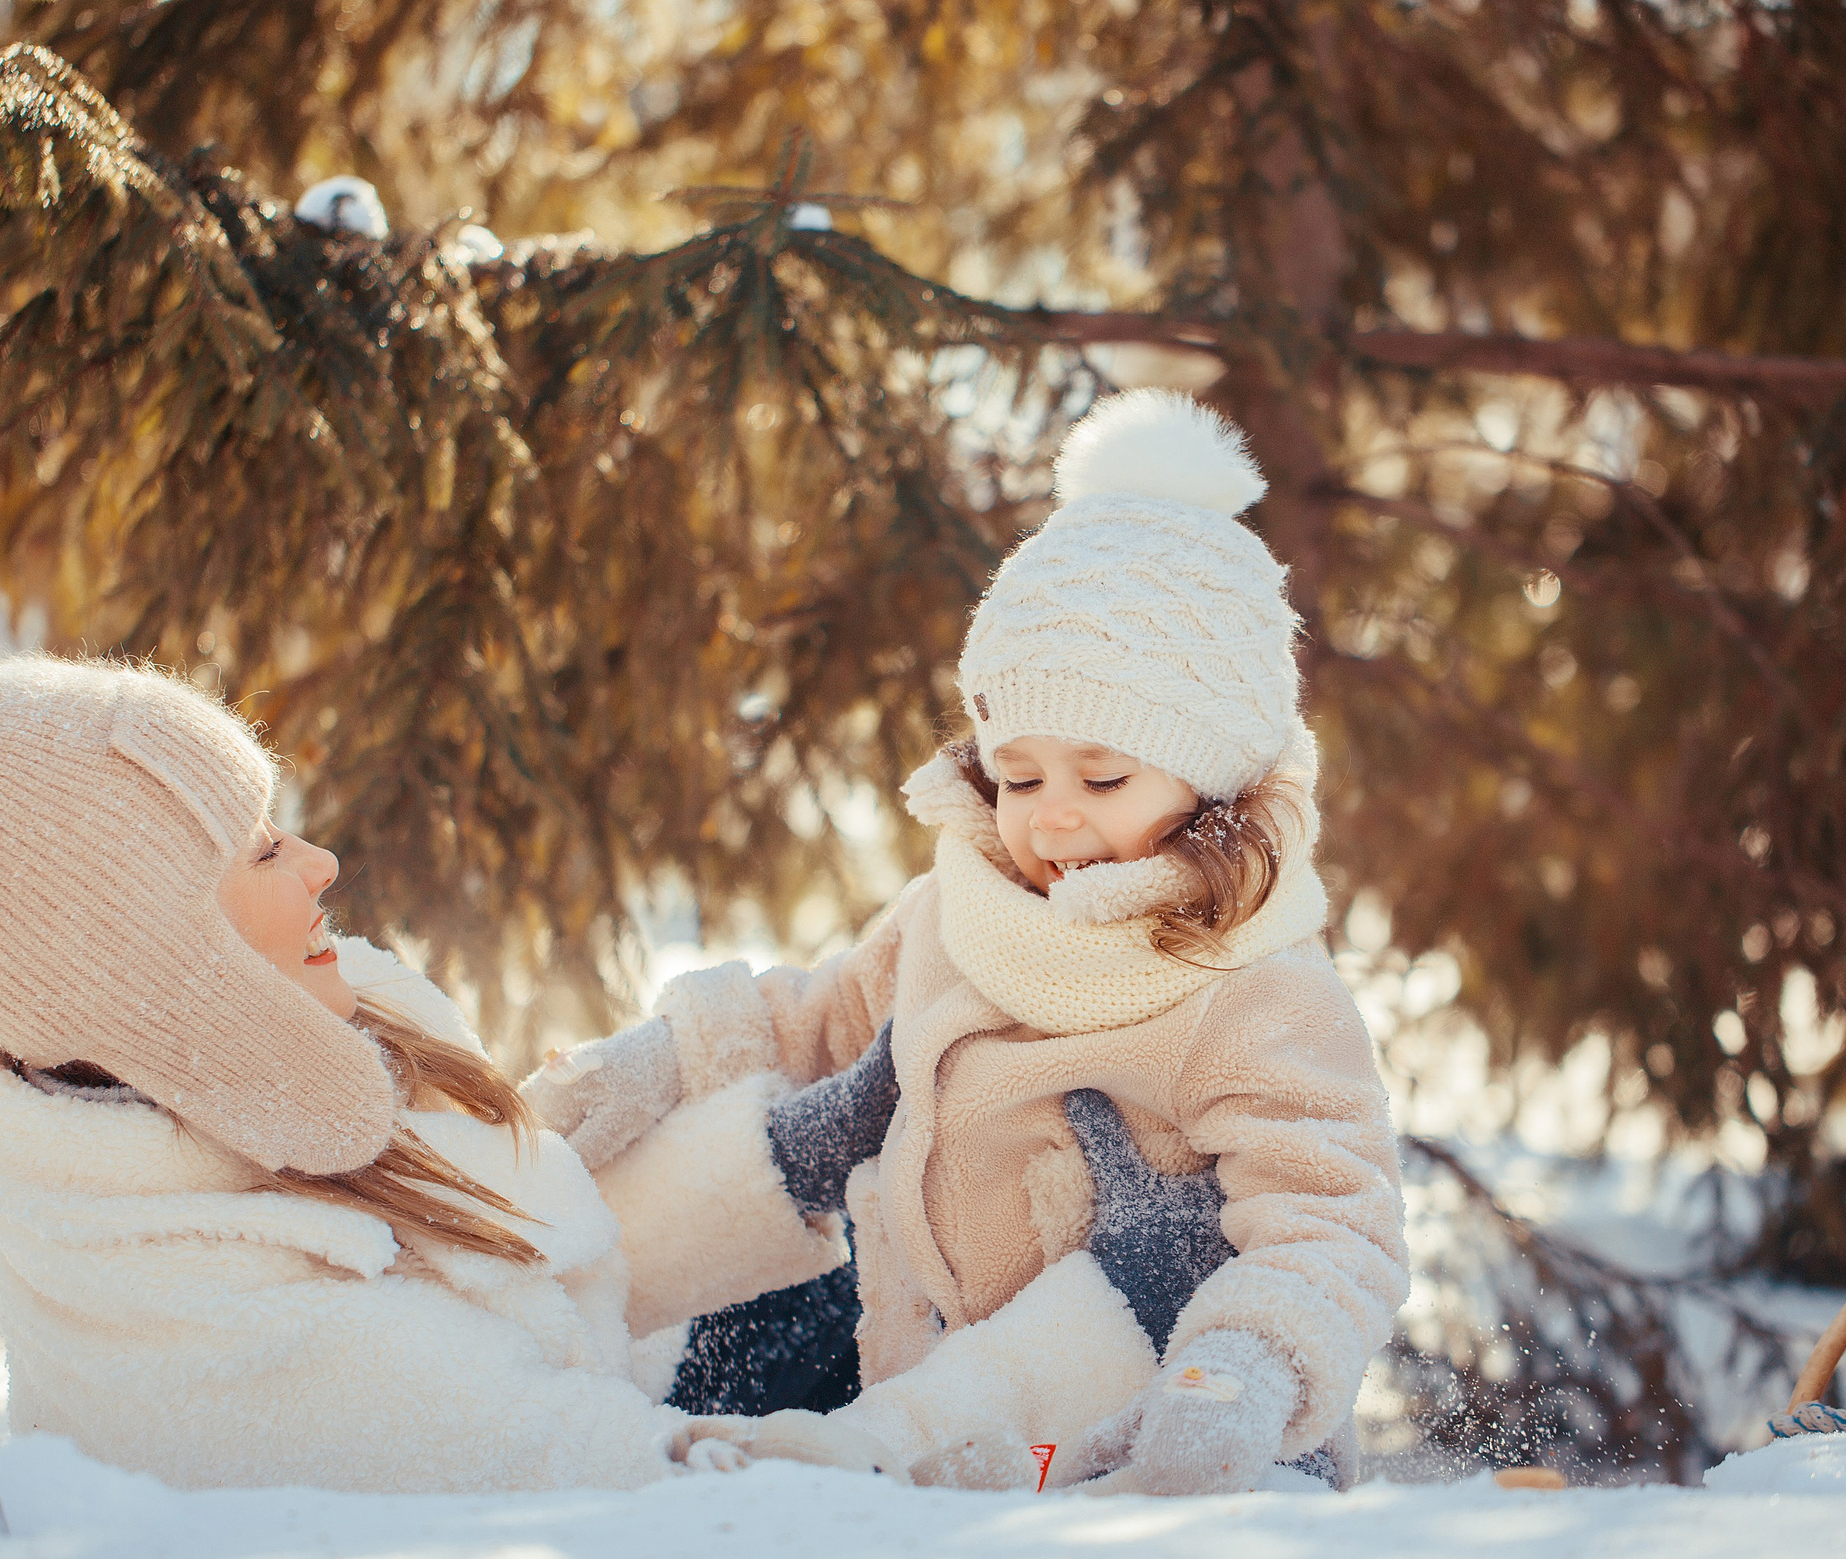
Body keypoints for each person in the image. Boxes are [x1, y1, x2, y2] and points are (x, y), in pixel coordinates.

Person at [529, 391, 1409, 1495]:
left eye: (1103, 778)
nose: (1052, 816)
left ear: (1213, 776)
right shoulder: (958, 914)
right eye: (1019, 776)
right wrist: (665, 1055)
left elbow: (1330, 1218)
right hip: (942, 1433)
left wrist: (1241, 1368)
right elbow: (816, 1020)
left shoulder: (1250, 986)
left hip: (1158, 1439)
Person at [0, 654, 896, 1493]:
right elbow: (597, 1465)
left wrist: (785, 1157)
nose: (319, 865)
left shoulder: (269, 1043)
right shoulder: (201, 1337)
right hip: (639, 1459)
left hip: (624, 1374)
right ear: (156, 957)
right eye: (262, 852)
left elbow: (511, 1258)